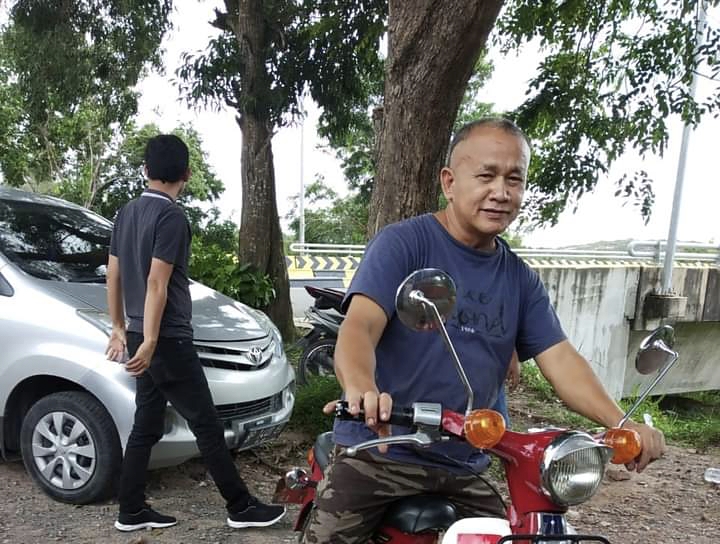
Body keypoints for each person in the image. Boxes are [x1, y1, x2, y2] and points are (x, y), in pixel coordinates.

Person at [302, 118, 666, 543]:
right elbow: (360, 326)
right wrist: (361, 387)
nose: (501, 192)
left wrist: (621, 423)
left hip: (463, 464)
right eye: (486, 175)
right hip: (380, 452)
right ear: (450, 182)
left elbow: (561, 359)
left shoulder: (520, 279)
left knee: (516, 534)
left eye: (514, 179)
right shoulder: (404, 244)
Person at [105, 134, 285, 532]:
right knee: (206, 423)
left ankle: (131, 510)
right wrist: (152, 341)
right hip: (165, 339)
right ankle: (240, 506)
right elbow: (157, 283)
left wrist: (120, 329)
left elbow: (113, 274)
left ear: (146, 170)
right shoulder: (170, 217)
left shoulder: (126, 212)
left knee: (147, 423)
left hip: (140, 335)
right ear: (186, 174)